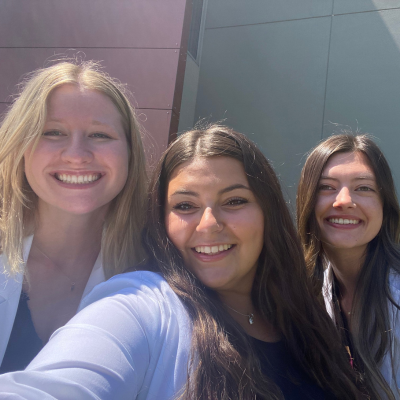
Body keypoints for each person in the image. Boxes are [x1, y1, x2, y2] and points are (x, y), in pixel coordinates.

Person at [0, 126, 361, 399]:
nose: (209, 225)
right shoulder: (141, 308)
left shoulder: (306, 315)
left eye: (234, 201)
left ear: (268, 212)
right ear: (162, 220)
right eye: (185, 206)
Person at [0, 60, 147, 373]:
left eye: (99, 135)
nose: (77, 155)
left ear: (130, 154)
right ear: (20, 146)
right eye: (53, 132)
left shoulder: (158, 270)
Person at [297, 133, 400, 399]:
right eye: (326, 187)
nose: (343, 200)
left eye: (363, 187)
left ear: (385, 205)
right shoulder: (304, 292)